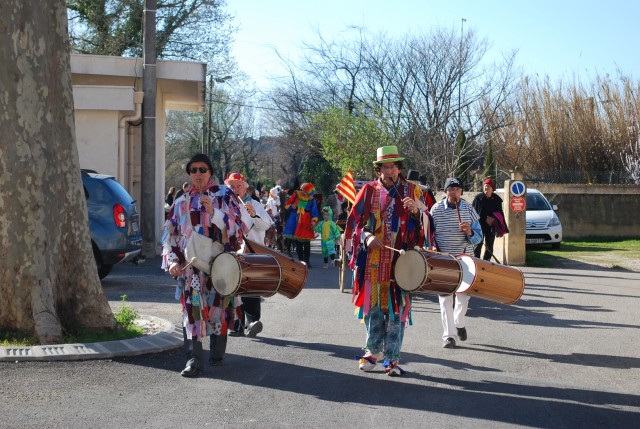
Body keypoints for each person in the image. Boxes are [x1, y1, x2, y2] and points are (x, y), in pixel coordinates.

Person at [161, 154, 252, 377]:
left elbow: (239, 229)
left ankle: (217, 353)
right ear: (189, 173)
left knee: (218, 311)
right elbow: (169, 235)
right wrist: (172, 261)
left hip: (219, 265)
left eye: (203, 169)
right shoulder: (181, 201)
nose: (198, 174)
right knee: (191, 312)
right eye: (193, 170)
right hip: (191, 268)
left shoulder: (224, 195)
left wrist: (214, 213)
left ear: (210, 171)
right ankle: (193, 360)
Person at [343, 145, 426, 376]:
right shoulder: (368, 191)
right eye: (384, 167)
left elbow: (427, 226)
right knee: (373, 308)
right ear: (378, 169)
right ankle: (371, 352)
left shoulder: (413, 191)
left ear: (399, 168)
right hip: (373, 261)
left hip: (401, 261)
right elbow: (354, 224)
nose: (389, 171)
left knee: (397, 311)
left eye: (393, 166)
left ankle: (392, 358)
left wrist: (416, 213)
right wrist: (367, 237)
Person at [429, 177, 483, 349]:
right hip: (444, 261)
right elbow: (429, 235)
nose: (455, 192)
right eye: (451, 189)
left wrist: (469, 231)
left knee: (463, 297)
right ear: (445, 192)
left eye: (458, 189)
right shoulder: (436, 210)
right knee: (445, 299)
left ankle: (459, 322)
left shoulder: (468, 208)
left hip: (465, 259)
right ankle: (449, 336)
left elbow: (478, 237)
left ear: (461, 191)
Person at [224, 172, 273, 338]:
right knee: (232, 288)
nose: (236, 189)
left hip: (251, 252)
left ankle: (252, 322)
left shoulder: (255, 204)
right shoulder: (224, 205)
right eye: (232, 186)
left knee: (251, 287)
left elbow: (265, 225)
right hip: (231, 251)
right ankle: (236, 325)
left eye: (239, 186)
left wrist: (253, 214)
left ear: (245, 187)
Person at [283, 182, 319, 267]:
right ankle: (300, 260)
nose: (304, 192)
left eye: (306, 191)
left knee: (306, 243)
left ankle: (307, 261)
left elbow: (314, 212)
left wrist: (314, 220)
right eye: (303, 190)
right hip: (295, 220)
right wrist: (292, 206)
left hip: (306, 221)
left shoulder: (311, 199)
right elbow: (287, 205)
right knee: (298, 242)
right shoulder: (296, 195)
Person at [472, 178, 506, 261]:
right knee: (478, 245)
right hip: (479, 226)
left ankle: (486, 262)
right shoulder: (478, 198)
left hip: (491, 226)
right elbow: (473, 213)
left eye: (488, 186)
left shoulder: (497, 199)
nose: (486, 188)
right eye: (484, 186)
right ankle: (476, 262)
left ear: (492, 188)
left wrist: (494, 219)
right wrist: (485, 218)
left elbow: (500, 213)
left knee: (489, 246)